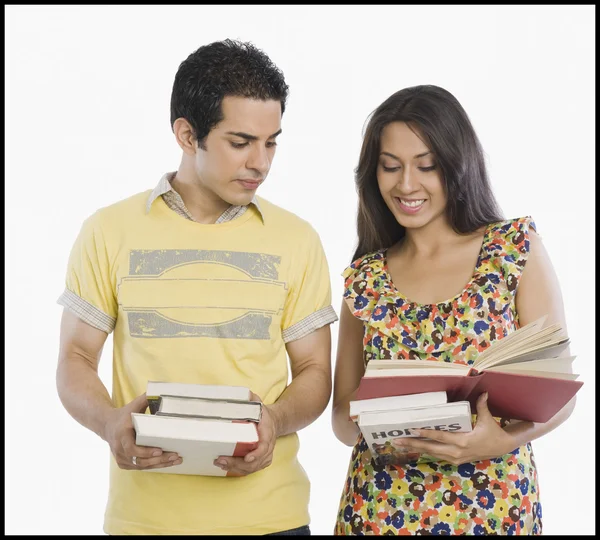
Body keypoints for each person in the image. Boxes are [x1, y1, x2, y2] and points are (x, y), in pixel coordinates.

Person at [56, 39, 338, 536]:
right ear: (188, 135)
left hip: (271, 521)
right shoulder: (108, 231)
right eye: (241, 141)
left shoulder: (297, 239)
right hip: (144, 523)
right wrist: (107, 422)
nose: (261, 162)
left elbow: (315, 371)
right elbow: (76, 357)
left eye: (271, 142)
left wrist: (275, 418)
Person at [331, 85, 576, 535]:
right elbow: (342, 421)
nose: (406, 185)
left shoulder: (513, 251)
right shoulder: (365, 279)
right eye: (390, 167)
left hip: (494, 507)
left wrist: (501, 440)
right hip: (382, 508)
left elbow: (561, 396)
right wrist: (386, 425)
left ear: (457, 165)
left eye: (426, 166)